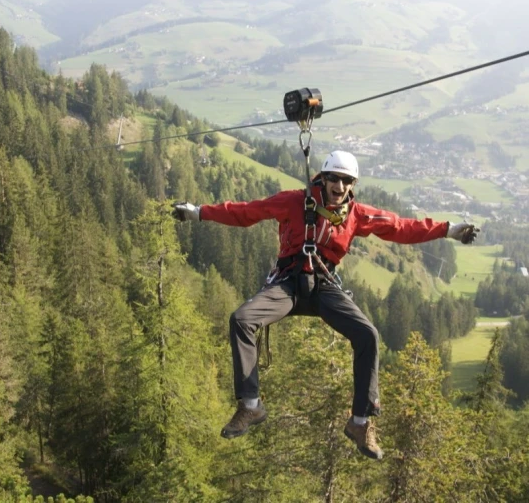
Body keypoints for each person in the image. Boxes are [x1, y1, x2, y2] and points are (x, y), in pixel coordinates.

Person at [172, 150, 479, 460]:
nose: (340, 186)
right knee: (242, 319)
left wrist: (449, 230)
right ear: (323, 177)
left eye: (347, 181)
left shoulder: (355, 214)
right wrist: (199, 212)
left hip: (324, 286)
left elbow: (400, 227)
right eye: (334, 178)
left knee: (367, 335)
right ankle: (250, 406)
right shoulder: (296, 201)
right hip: (288, 282)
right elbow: (247, 212)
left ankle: (360, 422)